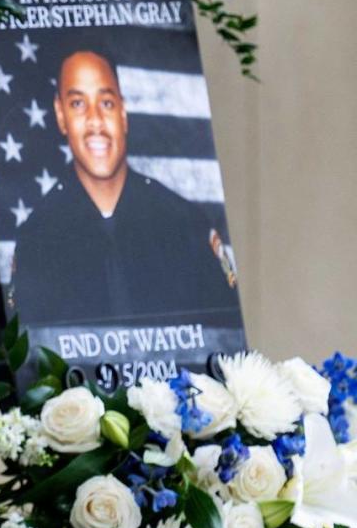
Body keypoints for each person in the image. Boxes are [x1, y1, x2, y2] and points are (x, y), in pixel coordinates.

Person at [19, 47, 241, 326]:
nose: (95, 121)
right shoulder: (38, 238)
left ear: (123, 112)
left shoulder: (185, 224)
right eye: (78, 104)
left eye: (107, 103)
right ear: (60, 115)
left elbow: (226, 338)